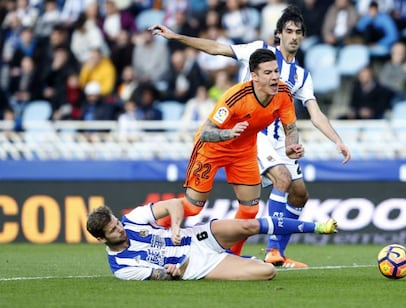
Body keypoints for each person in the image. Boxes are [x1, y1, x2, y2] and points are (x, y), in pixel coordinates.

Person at [149, 5, 351, 267]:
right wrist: (177, 37)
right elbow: (216, 48)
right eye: (288, 31)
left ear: (302, 37)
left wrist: (337, 140)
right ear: (278, 34)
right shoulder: (257, 52)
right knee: (282, 178)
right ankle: (272, 250)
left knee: (299, 194)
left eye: (298, 32)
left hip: (278, 141)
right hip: (250, 135)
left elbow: (314, 113)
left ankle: (259, 252)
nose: (293, 36)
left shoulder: (301, 76)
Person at [156, 48, 303, 257]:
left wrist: (291, 146)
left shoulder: (283, 93)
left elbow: (291, 129)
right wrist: (229, 133)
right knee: (192, 207)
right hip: (211, 150)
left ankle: (231, 256)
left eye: (276, 71)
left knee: (251, 210)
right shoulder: (236, 97)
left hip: (244, 152)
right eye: (268, 73)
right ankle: (149, 228)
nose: (275, 77)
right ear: (254, 76)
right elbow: (206, 133)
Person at [86, 198, 338, 281]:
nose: (120, 228)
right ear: (101, 239)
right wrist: (172, 271)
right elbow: (160, 275)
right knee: (267, 271)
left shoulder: (133, 220)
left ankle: (317, 226)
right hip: (195, 265)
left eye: (117, 223)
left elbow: (174, 204)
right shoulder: (122, 268)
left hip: (197, 237)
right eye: (113, 230)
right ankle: (241, 261)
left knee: (249, 224)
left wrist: (175, 225)